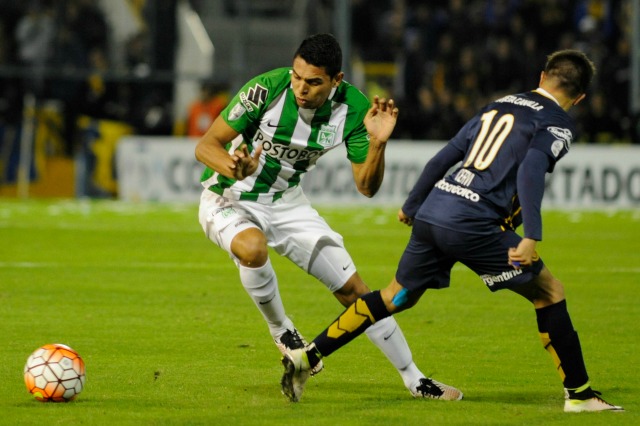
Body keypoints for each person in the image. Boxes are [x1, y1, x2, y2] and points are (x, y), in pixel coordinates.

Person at [281, 49, 624, 413]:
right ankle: (580, 395)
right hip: (475, 222)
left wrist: (413, 204)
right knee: (550, 292)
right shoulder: (557, 121)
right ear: (580, 97)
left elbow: (447, 155)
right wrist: (531, 236)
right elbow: (532, 167)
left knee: (395, 296)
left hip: (437, 208)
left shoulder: (499, 104)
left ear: (542, 77)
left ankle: (308, 355)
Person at [195, 33, 461, 400]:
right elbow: (205, 145)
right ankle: (283, 331)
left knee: (356, 292)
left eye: (313, 81)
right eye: (296, 76)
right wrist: (233, 166)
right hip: (229, 196)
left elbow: (366, 187)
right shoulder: (266, 89)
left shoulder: (354, 108)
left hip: (288, 203)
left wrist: (378, 144)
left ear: (336, 80)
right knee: (252, 248)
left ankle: (414, 379)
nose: (301, 88)